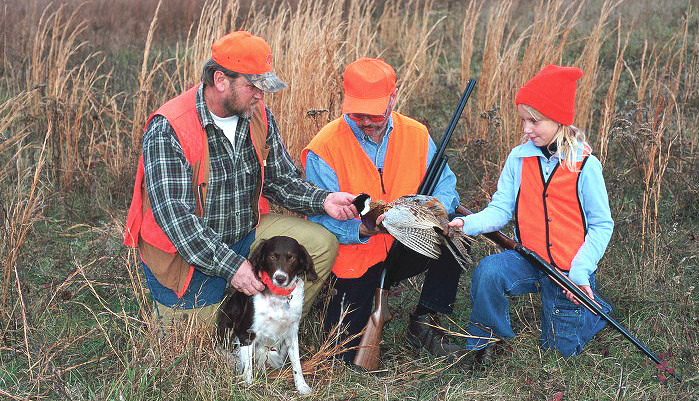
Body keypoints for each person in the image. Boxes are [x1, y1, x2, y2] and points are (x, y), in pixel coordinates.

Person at [123, 31, 357, 328]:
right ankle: (237, 312)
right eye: (253, 86)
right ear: (221, 80)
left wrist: (323, 200)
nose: (261, 95)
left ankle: (274, 328)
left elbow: (280, 179)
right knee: (204, 344)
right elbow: (178, 222)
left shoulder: (256, 112)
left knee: (322, 244)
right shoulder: (169, 129)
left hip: (247, 234)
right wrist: (233, 267)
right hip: (187, 255)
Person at [301, 58, 467, 365]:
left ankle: (426, 319)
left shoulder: (416, 134)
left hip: (408, 245)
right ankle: (351, 295)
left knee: (459, 231)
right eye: (357, 112)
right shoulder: (325, 147)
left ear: (393, 97)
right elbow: (318, 223)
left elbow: (446, 184)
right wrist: (363, 230)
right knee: (343, 354)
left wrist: (435, 210)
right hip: (355, 256)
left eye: (374, 111)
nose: (365, 120)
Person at [448, 64, 614, 361]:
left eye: (534, 121)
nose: (526, 129)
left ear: (559, 120)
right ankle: (487, 342)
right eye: (524, 120)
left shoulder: (586, 166)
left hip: (568, 270)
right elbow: (500, 209)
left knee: (559, 352)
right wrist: (466, 223)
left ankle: (595, 309)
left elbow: (602, 225)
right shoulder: (519, 157)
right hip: (527, 258)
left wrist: (579, 271)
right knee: (489, 272)